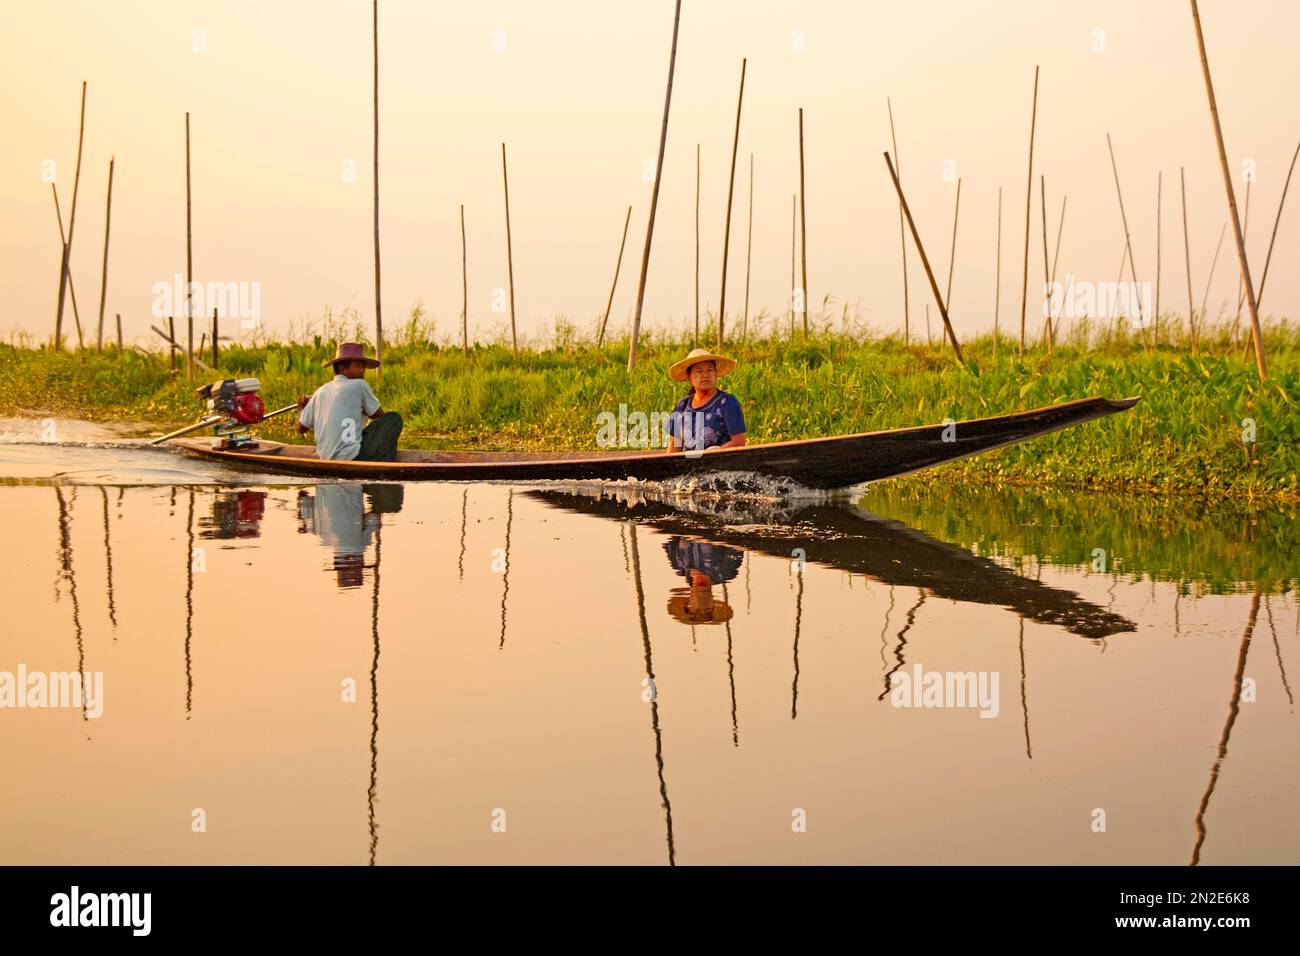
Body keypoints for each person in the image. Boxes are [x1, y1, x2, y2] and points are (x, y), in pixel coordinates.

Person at [297, 343, 403, 462]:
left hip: (326, 459)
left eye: (363, 367)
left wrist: (301, 408)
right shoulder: (359, 385)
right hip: (353, 457)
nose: (363, 371)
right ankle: (385, 465)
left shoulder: (320, 392)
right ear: (343, 368)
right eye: (358, 366)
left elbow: (301, 428)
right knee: (393, 419)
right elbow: (379, 416)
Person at [663, 348, 747, 454]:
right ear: (689, 376)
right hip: (687, 466)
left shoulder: (727, 402)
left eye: (709, 370)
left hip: (720, 463)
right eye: (699, 371)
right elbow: (676, 445)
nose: (705, 375)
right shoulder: (682, 407)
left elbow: (739, 441)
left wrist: (715, 453)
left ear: (715, 373)